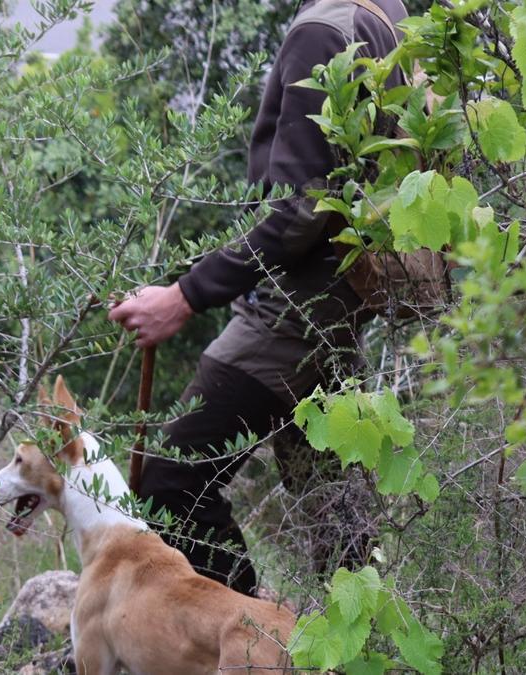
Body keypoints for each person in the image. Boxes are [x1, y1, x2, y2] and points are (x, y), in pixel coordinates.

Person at [108, 0, 408, 596]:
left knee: (169, 484)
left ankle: (249, 643)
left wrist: (186, 295)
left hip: (292, 315)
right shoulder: (383, 14)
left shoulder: (324, 29)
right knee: (335, 517)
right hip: (342, 309)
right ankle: (353, 652)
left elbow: (301, 210)